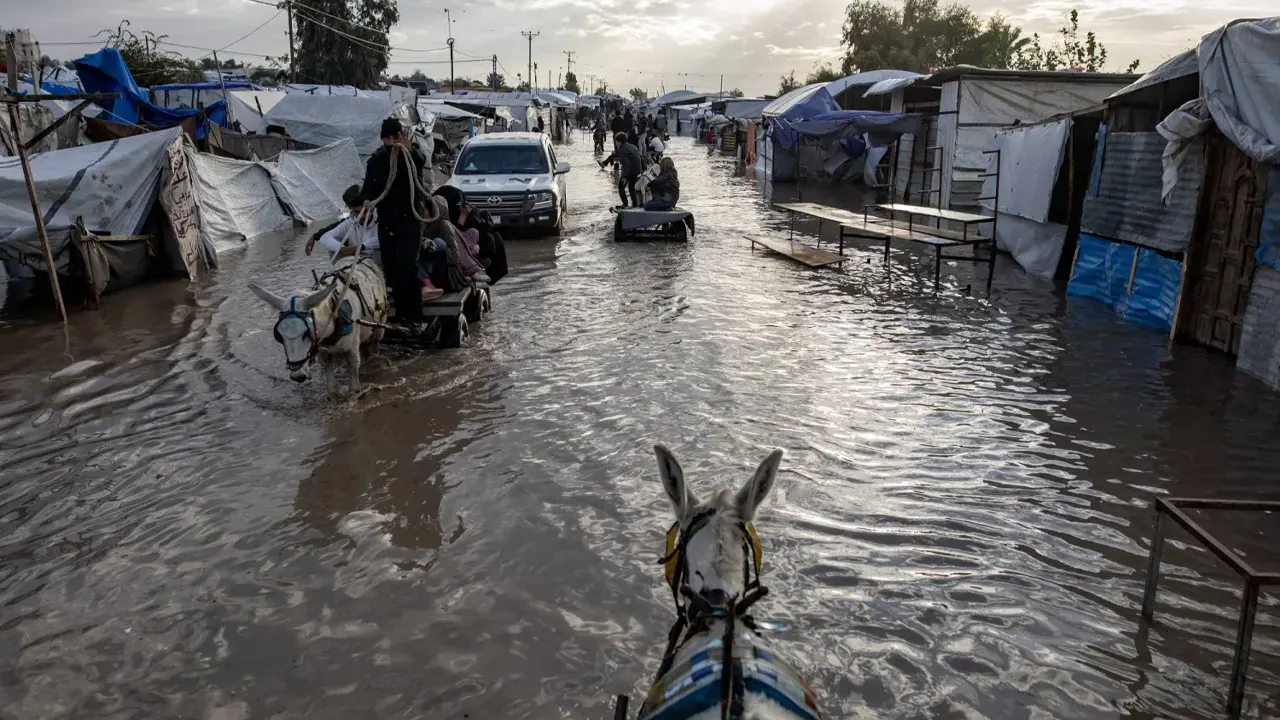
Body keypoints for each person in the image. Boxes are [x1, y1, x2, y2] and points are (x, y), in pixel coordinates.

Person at [361, 117, 428, 323]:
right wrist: (365, 202)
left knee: (407, 268)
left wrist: (409, 150)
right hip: (387, 223)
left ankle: (414, 318)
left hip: (410, 222)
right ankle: (399, 316)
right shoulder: (376, 160)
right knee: (391, 270)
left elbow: (421, 162)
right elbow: (368, 189)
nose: (391, 143)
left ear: (400, 136)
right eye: (387, 139)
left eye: (394, 138)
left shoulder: (412, 156)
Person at [433, 185, 509, 284]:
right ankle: (473, 267)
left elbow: (460, 224)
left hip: (462, 233)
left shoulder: (460, 210)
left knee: (486, 236)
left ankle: (479, 266)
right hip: (452, 238)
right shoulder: (442, 221)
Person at [306, 185, 381, 264]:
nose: (361, 216)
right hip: (357, 259)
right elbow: (325, 236)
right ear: (351, 210)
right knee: (333, 246)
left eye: (364, 212)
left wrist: (358, 248)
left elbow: (381, 238)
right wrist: (341, 248)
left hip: (375, 260)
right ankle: (342, 269)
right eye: (356, 212)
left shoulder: (381, 219)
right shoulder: (351, 221)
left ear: (371, 209)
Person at [600, 132, 642, 208]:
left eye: (616, 142)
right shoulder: (633, 146)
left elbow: (626, 164)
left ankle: (625, 204)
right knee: (631, 187)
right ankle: (635, 204)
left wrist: (625, 177)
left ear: (620, 142)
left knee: (621, 186)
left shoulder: (622, 150)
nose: (616, 143)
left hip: (630, 170)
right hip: (637, 170)